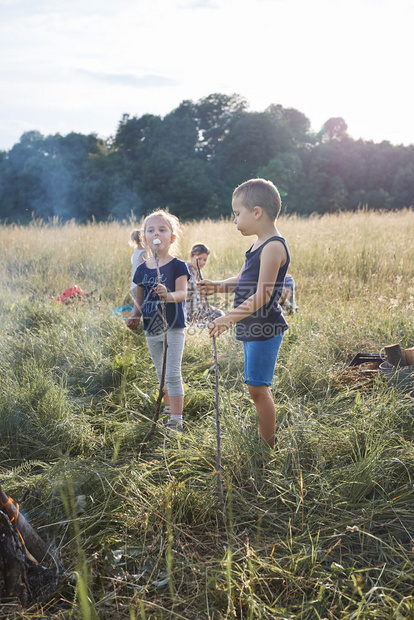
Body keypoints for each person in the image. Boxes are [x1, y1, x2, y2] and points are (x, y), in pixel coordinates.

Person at [198, 178, 290, 449]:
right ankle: (265, 433)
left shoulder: (273, 246)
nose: (234, 220)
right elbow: (243, 279)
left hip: (265, 328)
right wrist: (218, 286)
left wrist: (227, 318)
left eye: (237, 214)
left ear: (257, 212)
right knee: (255, 386)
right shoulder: (258, 244)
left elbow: (262, 294)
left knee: (258, 388)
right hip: (252, 326)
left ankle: (268, 447)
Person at [127, 210, 189, 432]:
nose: (156, 234)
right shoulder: (143, 269)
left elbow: (183, 293)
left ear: (172, 237)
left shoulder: (178, 266)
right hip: (151, 328)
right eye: (151, 230)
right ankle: (167, 408)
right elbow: (140, 298)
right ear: (144, 238)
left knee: (172, 373)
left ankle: (177, 420)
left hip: (173, 326)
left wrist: (168, 295)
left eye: (162, 230)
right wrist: (135, 315)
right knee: (160, 373)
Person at [186, 243, 224, 325]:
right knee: (217, 319)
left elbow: (202, 299)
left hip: (199, 311)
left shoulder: (199, 274)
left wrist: (210, 310)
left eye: (205, 260)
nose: (202, 262)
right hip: (189, 313)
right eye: (199, 259)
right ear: (191, 256)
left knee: (221, 315)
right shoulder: (185, 272)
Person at [129, 229, 148, 299]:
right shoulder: (143, 253)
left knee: (137, 305)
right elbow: (142, 270)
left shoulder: (135, 252)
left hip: (134, 284)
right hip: (140, 285)